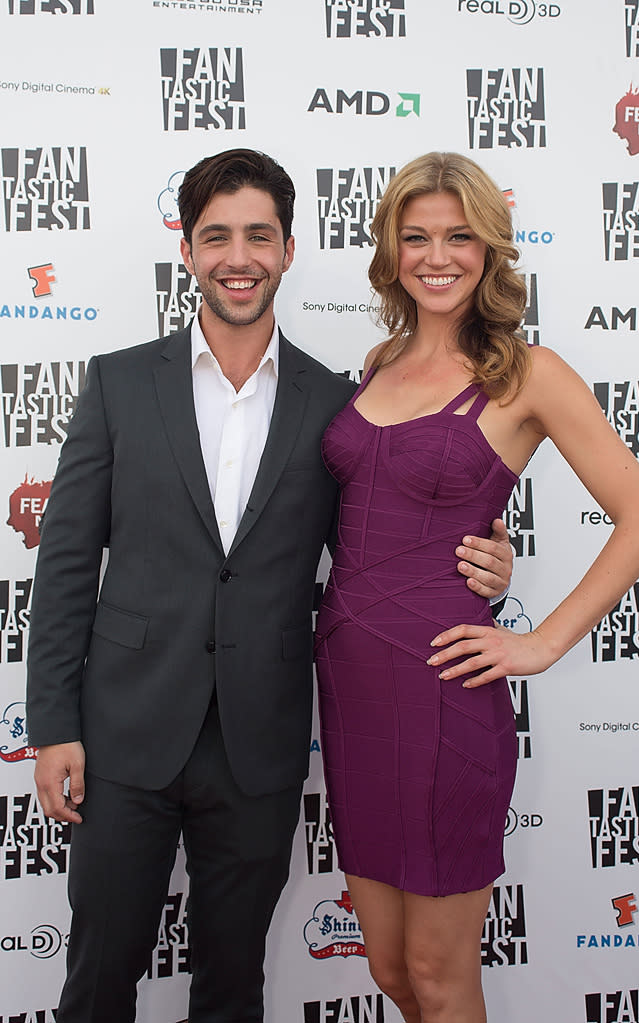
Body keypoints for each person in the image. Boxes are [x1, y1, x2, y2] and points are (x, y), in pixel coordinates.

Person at [25, 148, 513, 1023]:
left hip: (259, 743)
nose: (237, 256)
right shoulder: (119, 382)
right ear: (187, 249)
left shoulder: (342, 402)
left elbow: (383, 540)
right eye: (216, 236)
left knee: (232, 982)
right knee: (98, 979)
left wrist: (487, 553)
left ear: (289, 248)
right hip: (124, 733)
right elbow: (64, 563)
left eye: (259, 235)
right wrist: (53, 724)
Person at [314, 152, 639, 1023]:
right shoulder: (375, 362)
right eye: (417, 236)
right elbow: (384, 504)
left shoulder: (527, 373)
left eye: (460, 236)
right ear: (392, 251)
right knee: (391, 972)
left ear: (490, 249)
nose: (438, 256)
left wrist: (540, 640)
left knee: (440, 980)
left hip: (446, 691)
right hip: (352, 694)